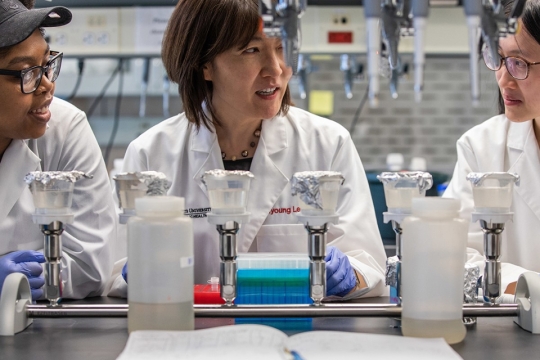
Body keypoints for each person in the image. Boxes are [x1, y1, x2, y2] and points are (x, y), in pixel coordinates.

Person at [115, 0, 387, 299]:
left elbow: (369, 264)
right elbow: (115, 271)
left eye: (282, 47)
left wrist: (351, 274)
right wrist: (133, 272)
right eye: (251, 50)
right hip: (192, 336)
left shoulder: (328, 143)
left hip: (297, 334)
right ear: (204, 64)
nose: (276, 69)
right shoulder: (151, 154)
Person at [0, 0, 116, 300]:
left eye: (48, 64)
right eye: (26, 72)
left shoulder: (64, 127)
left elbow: (90, 264)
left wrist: (19, 281)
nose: (47, 85)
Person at [444, 0, 540, 295]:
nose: (503, 78)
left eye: (519, 63)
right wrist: (531, 287)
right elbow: (453, 254)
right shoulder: (481, 147)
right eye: (498, 58)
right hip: (512, 332)